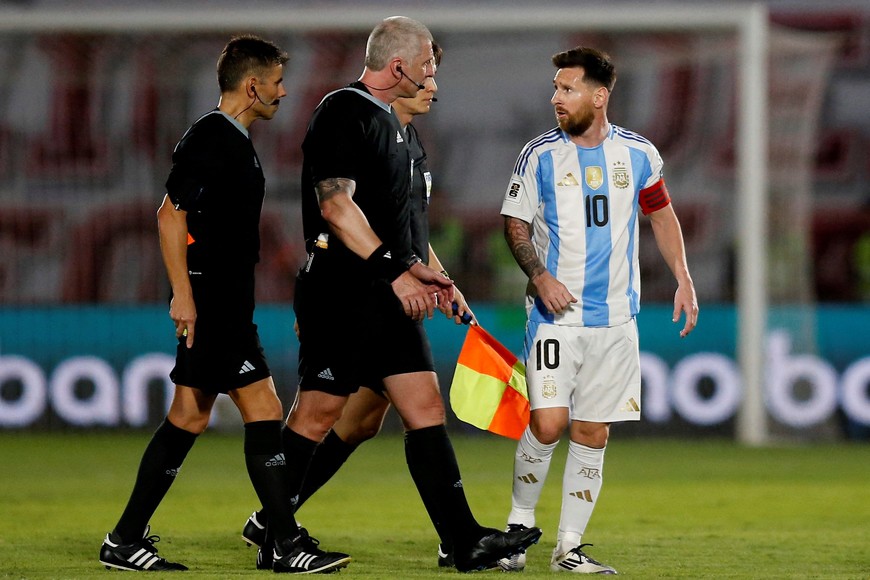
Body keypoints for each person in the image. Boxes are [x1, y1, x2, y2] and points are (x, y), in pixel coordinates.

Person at [250, 17, 541, 573]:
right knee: (318, 414)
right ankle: (275, 535)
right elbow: (336, 208)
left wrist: (439, 278)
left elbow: (407, 230)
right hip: (343, 292)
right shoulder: (344, 110)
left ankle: (462, 541)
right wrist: (397, 273)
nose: (436, 74)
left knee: (422, 407)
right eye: (428, 64)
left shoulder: (404, 133)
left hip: (391, 296)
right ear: (399, 66)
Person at [98, 35, 350, 574]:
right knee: (261, 411)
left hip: (225, 301)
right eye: (278, 82)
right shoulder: (211, 139)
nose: (283, 92)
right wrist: (185, 298)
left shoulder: (231, 138)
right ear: (252, 84)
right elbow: (170, 215)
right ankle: (283, 543)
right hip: (212, 301)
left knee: (190, 416)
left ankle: (125, 538)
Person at [499, 46, 698, 574]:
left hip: (615, 322)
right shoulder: (539, 154)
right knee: (547, 424)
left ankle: (568, 547)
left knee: (593, 433)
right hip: (554, 319)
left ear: (599, 95)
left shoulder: (639, 154)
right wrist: (539, 276)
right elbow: (515, 223)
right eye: (556, 88)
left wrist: (683, 277)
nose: (556, 98)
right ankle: (517, 531)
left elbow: (660, 215)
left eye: (567, 89)